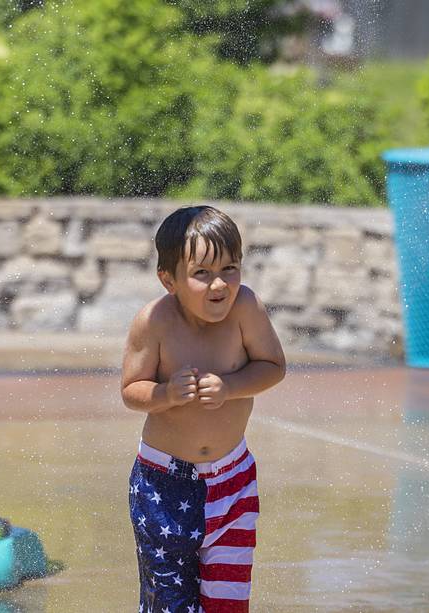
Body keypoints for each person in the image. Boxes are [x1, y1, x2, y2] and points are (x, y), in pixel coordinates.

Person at [121, 206, 286, 612]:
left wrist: (230, 387)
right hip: (164, 486)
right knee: (170, 604)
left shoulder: (246, 308)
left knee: (227, 603)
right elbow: (130, 389)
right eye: (201, 274)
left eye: (230, 268)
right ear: (169, 279)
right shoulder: (154, 322)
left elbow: (273, 367)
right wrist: (165, 395)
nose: (220, 284)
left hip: (232, 482)